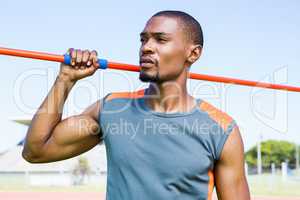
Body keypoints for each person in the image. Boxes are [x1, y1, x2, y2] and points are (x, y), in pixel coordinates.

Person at [22, 10, 250, 200]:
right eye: (144, 39)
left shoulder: (221, 129)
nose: (146, 47)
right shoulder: (111, 109)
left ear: (193, 53)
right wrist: (65, 80)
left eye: (161, 39)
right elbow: (36, 151)